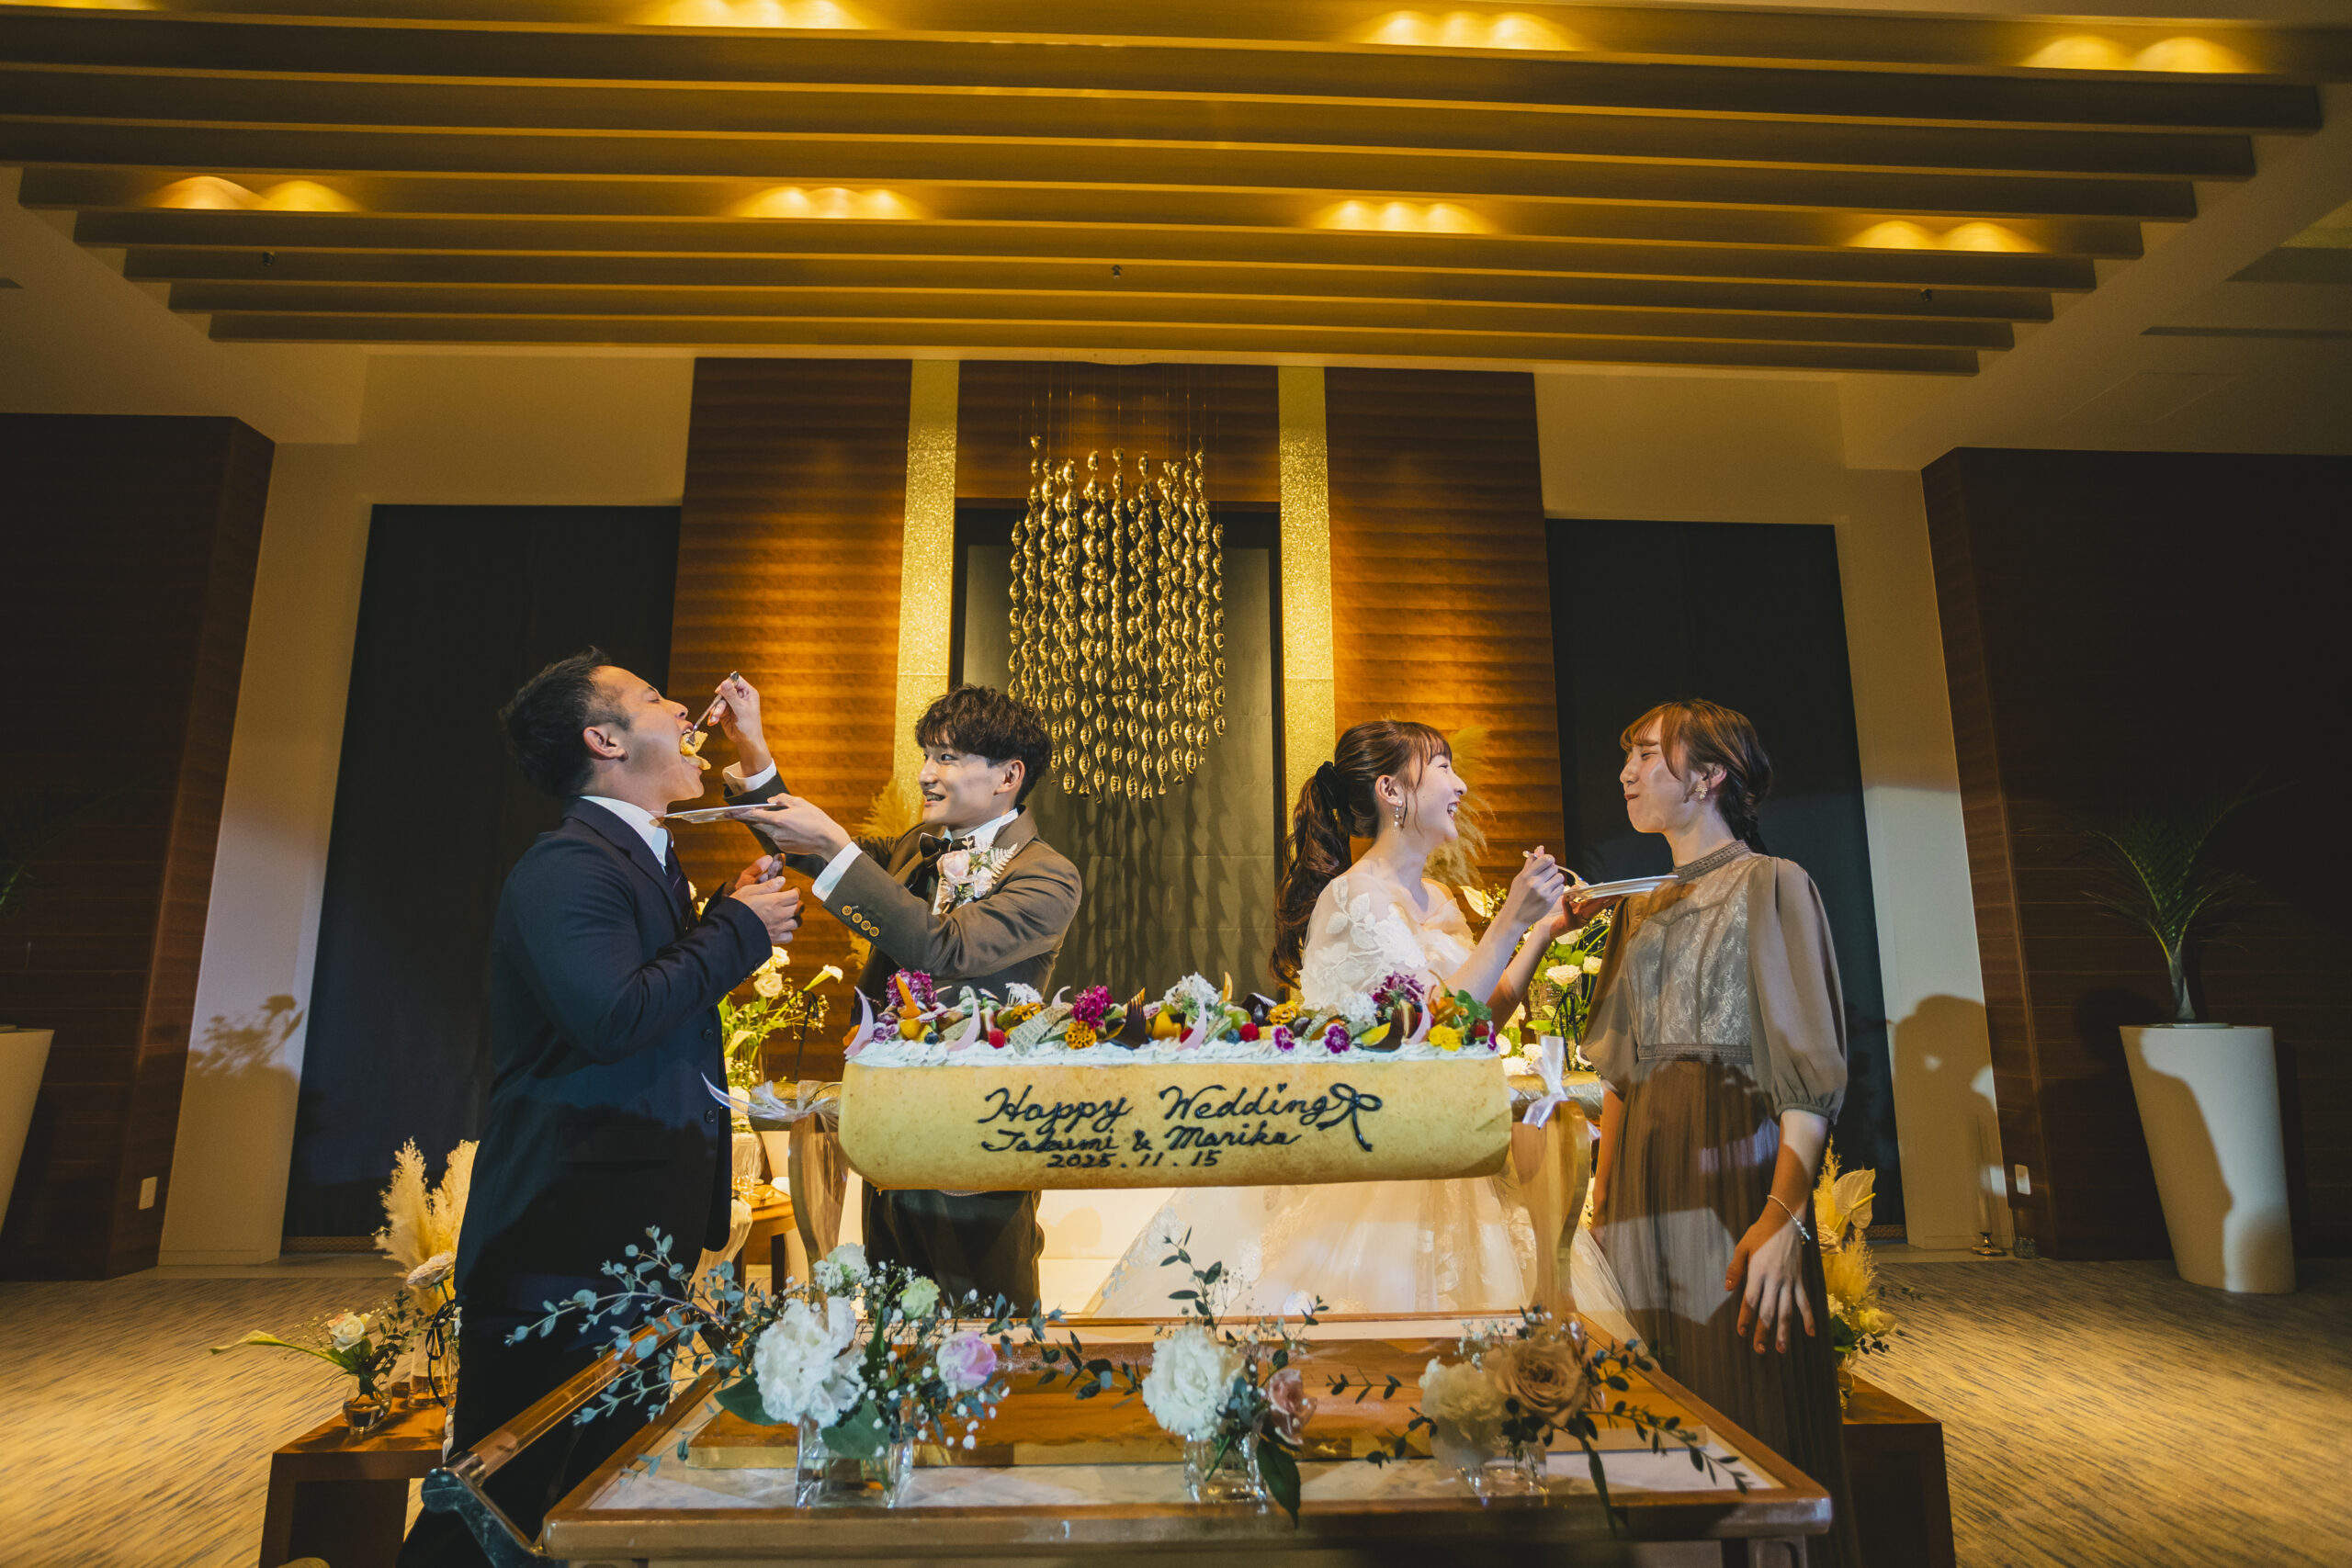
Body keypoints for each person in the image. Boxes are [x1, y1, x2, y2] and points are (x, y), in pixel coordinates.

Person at [400, 652, 800, 1568]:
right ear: (605, 740)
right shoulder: (568, 865)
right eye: (656, 699)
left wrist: (732, 903)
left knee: (594, 1487)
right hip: (561, 1243)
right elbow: (613, 1015)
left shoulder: (644, 858)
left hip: (623, 1234)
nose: (685, 710)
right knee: (500, 1496)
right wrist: (736, 929)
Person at [1089, 719, 1568, 1315]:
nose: (1460, 785)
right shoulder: (1354, 897)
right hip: (1383, 1159)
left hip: (1448, 1145)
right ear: (1391, 790)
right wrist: (1512, 918)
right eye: (1444, 767)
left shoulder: (1440, 899)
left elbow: (1480, 1021)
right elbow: (1433, 1026)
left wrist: (1541, 931)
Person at [1582, 699, 1861, 1568]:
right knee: (1654, 1408)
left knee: (1744, 1403)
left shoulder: (1774, 884)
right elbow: (1619, 1073)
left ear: (1709, 776)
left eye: (1648, 755)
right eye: (1628, 756)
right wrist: (1601, 1201)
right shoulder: (1639, 904)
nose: (1628, 772)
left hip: (1733, 1178)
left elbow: (1809, 1079)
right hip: (1642, 1184)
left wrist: (1783, 1217)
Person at [722, 682, 1080, 1309]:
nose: (925, 774)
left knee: (983, 1331)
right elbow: (806, 850)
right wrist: (753, 745)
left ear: (1008, 776)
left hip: (978, 1144)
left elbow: (943, 947)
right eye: (927, 755)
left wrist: (835, 843)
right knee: (892, 1325)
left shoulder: (1047, 874)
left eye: (947, 757)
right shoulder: (917, 846)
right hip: (890, 1132)